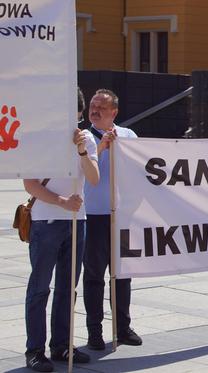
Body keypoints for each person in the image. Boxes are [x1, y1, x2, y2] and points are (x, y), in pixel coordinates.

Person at [23, 88, 100, 372]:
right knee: (40, 288)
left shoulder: (87, 139)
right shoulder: (39, 140)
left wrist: (81, 149)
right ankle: (34, 350)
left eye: (76, 116)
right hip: (46, 222)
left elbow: (93, 178)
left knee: (68, 288)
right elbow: (30, 184)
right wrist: (61, 202)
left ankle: (61, 345)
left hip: (76, 222)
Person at [83, 89, 142, 350]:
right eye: (93, 106)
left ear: (114, 112)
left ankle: (122, 327)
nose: (94, 110)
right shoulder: (83, 137)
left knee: (122, 275)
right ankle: (94, 331)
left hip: (121, 217)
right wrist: (102, 146)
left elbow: (141, 170)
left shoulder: (128, 136)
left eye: (101, 107)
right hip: (93, 217)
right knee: (94, 276)